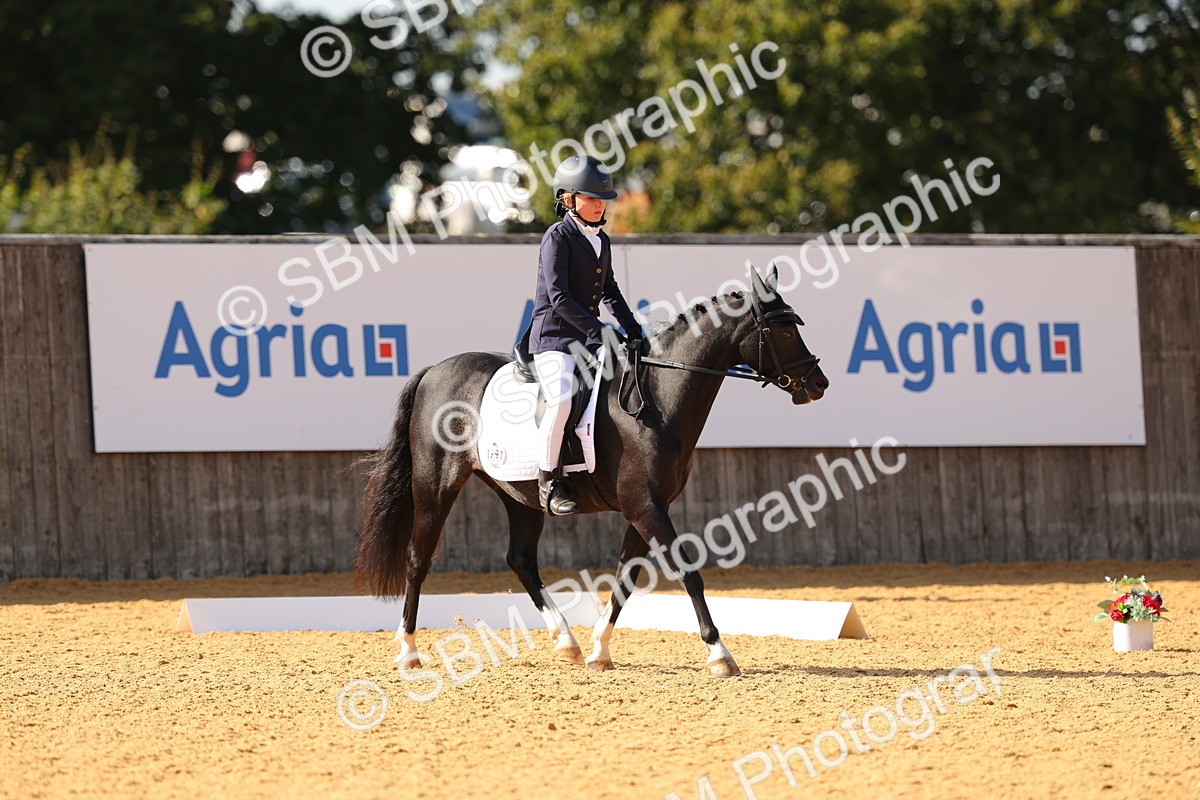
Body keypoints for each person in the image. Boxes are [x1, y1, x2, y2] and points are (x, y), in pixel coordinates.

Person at [524, 155, 643, 515]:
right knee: (561, 400)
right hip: (555, 339)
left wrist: (634, 329)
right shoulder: (556, 237)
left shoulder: (602, 240)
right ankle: (549, 482)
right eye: (590, 199)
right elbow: (558, 298)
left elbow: (609, 290)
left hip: (587, 340)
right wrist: (599, 331)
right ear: (568, 198)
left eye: (602, 200)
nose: (598, 205)